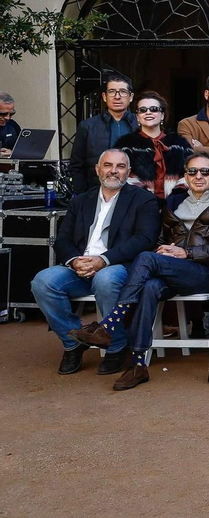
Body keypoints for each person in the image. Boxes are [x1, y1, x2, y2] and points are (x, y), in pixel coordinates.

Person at [71, 154, 209, 391]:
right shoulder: (174, 203)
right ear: (185, 177)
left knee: (146, 259)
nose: (198, 176)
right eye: (192, 172)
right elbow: (157, 240)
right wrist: (164, 249)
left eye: (205, 172)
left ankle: (110, 325)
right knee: (149, 285)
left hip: (205, 274)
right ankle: (138, 365)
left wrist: (186, 252)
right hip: (170, 271)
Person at [31, 149, 160, 376]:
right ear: (98, 169)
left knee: (106, 278)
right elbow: (62, 240)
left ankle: (116, 346)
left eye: (120, 166)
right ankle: (73, 343)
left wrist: (104, 259)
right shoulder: (81, 200)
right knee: (43, 281)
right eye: (108, 165)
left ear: (128, 172)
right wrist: (74, 261)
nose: (113, 171)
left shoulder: (143, 200)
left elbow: (144, 239)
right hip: (79, 267)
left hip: (119, 267)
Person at [69, 72, 136, 193]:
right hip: (96, 192)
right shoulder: (87, 126)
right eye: (112, 92)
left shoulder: (140, 125)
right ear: (104, 97)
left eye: (122, 91)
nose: (117, 96)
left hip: (136, 194)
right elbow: (77, 166)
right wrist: (83, 195)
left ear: (130, 97)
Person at [114, 92, 188, 196]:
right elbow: (122, 177)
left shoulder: (180, 145)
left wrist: (174, 199)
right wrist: (148, 201)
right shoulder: (124, 145)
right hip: (138, 204)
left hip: (177, 205)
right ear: (138, 117)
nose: (148, 112)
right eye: (143, 110)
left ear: (162, 115)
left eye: (153, 109)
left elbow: (189, 175)